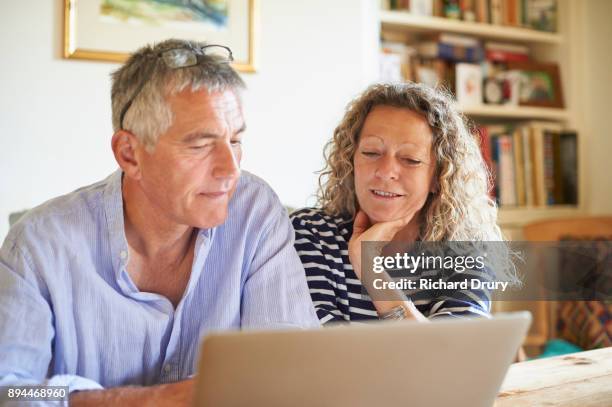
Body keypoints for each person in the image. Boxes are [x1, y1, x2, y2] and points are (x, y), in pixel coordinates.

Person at [0, 39, 318, 405]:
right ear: (129, 153)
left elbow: (290, 369)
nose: (231, 169)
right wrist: (150, 400)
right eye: (200, 145)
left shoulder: (255, 211)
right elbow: (11, 388)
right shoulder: (37, 245)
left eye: (235, 140)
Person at [291, 82, 514, 324]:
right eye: (371, 152)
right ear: (350, 160)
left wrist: (371, 270)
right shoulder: (308, 234)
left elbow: (449, 354)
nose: (386, 171)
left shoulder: (466, 249)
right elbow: (323, 354)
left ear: (438, 178)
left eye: (410, 159)